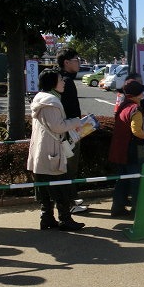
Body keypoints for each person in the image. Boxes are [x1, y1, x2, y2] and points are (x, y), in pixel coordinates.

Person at [27, 69, 85, 231]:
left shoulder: (41, 98)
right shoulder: (51, 101)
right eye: (61, 79)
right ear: (53, 83)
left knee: (45, 188)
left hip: (41, 150)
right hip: (51, 151)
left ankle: (47, 219)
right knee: (61, 187)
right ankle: (65, 220)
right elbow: (58, 126)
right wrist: (75, 122)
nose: (64, 82)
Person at [108, 81, 144, 216]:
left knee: (122, 179)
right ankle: (138, 209)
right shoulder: (135, 109)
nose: (143, 95)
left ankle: (117, 208)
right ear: (138, 94)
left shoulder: (123, 106)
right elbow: (136, 131)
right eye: (141, 92)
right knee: (137, 180)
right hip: (133, 149)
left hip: (120, 149)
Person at [56, 48, 87, 214]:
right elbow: (67, 111)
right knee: (69, 166)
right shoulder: (65, 82)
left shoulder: (64, 79)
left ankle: (71, 198)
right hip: (69, 131)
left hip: (70, 129)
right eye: (76, 59)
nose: (79, 62)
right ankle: (69, 204)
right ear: (66, 62)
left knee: (70, 166)